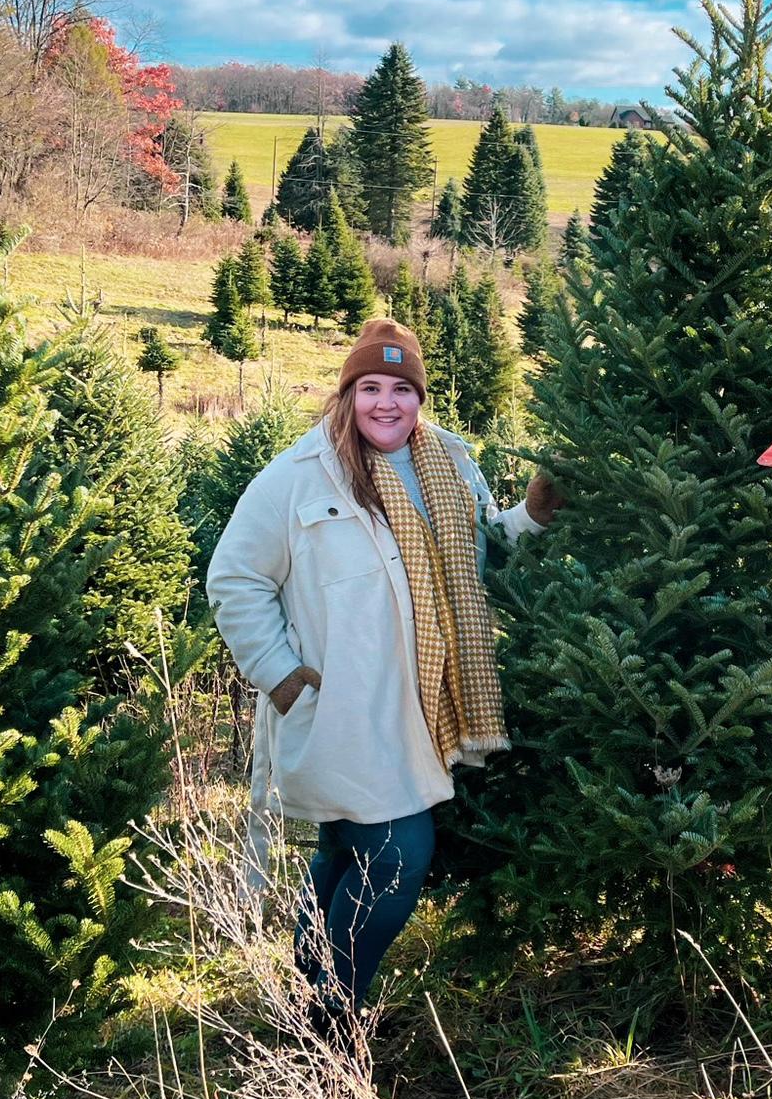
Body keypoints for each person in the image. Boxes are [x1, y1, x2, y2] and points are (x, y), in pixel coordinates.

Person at [206, 318, 560, 1029]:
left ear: (420, 397)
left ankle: (308, 1002)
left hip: (422, 701)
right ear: (347, 394)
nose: (387, 403)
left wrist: (535, 516)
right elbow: (234, 578)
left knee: (346, 850)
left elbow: (483, 551)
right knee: (399, 854)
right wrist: (285, 676)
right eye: (370, 387)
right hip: (343, 706)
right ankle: (333, 1022)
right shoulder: (298, 475)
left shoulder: (450, 461)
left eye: (402, 388)